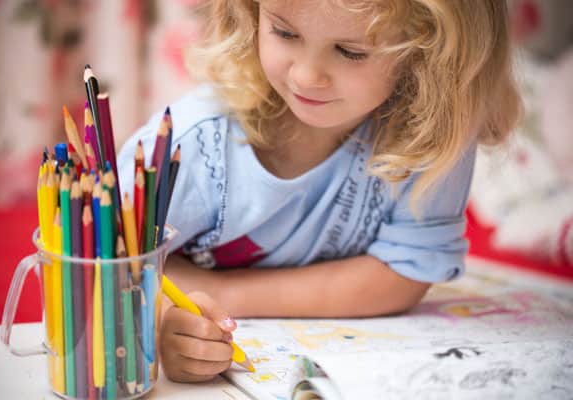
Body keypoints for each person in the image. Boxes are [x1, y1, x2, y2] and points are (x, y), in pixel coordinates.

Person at [117, 0, 522, 383]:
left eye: (350, 51)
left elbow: (405, 274)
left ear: (427, 53)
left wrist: (223, 291)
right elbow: (105, 269)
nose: (306, 76)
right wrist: (162, 321)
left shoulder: (431, 133)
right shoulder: (194, 145)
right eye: (285, 32)